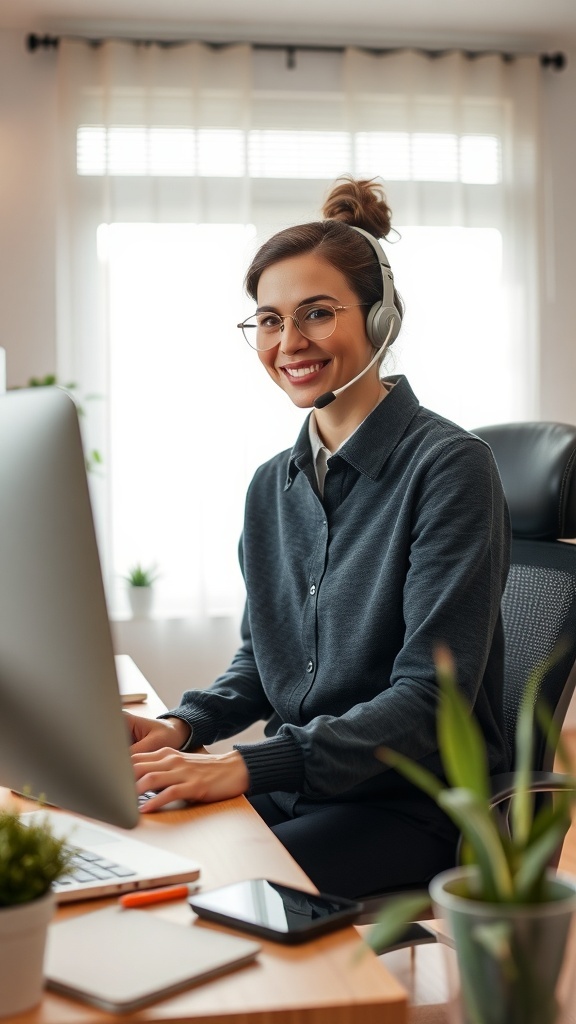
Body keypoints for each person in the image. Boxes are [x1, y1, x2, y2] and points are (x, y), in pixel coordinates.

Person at [125, 176, 511, 900]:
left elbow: (432, 699)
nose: (289, 343)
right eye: (269, 320)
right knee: (141, 845)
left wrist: (246, 767)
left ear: (381, 320)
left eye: (317, 314)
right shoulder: (272, 484)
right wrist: (183, 727)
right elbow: (263, 659)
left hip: (411, 806)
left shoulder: (450, 467)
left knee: (196, 892)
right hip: (305, 785)